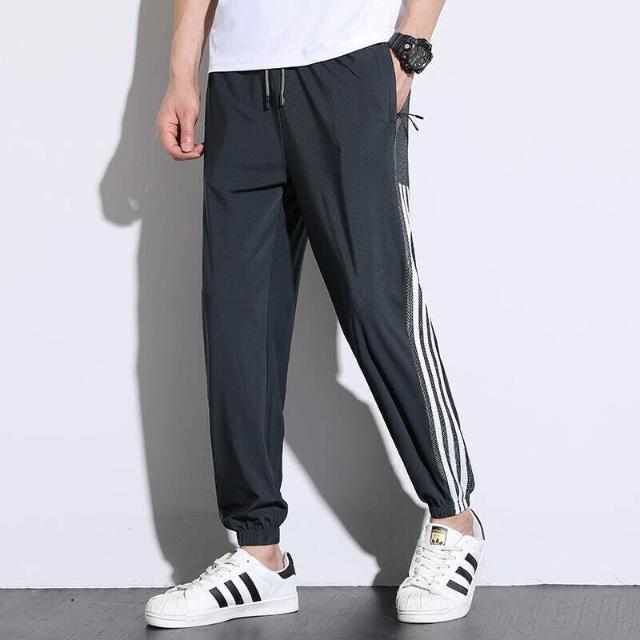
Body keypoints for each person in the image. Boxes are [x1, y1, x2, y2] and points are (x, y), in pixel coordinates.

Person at [145, 0, 485, 629]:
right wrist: (182, 72)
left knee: (378, 304)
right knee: (238, 323)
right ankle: (259, 554)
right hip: (239, 82)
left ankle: (454, 519)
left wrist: (408, 52)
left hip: (346, 69)